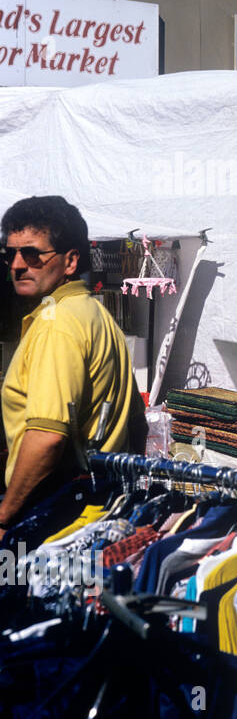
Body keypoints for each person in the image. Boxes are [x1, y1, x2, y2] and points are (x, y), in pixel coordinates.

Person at [0, 196, 145, 535]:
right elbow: (137, 425)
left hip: (54, 515)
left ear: (70, 261)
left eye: (33, 254)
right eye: (11, 254)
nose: (18, 265)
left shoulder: (57, 323)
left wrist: (5, 515)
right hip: (98, 507)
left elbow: (48, 436)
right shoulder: (96, 314)